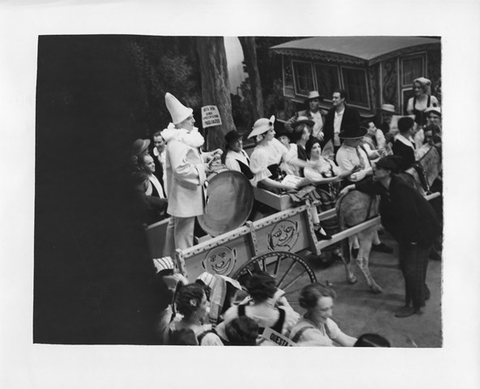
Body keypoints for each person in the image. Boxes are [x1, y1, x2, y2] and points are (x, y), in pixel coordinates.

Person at [340, 155, 442, 317]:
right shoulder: (385, 184)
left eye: (378, 168)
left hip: (421, 231)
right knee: (413, 264)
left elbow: (411, 218)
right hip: (412, 232)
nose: (374, 169)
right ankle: (422, 292)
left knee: (409, 267)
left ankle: (413, 305)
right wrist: (351, 187)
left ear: (388, 172)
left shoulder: (401, 189)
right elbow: (369, 186)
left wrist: (410, 241)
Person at [162, 92, 222, 259]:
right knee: (184, 236)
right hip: (184, 197)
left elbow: (191, 159)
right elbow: (180, 169)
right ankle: (184, 267)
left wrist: (206, 156)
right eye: (190, 118)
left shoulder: (182, 139)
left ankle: (169, 262)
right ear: (181, 122)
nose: (194, 121)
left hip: (184, 196)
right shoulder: (177, 141)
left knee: (175, 229)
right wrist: (203, 168)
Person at [336, 125, 393, 254]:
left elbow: (368, 159)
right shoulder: (342, 154)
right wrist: (371, 170)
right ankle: (355, 245)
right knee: (357, 216)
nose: (360, 140)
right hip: (353, 182)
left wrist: (379, 154)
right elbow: (353, 176)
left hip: (368, 179)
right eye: (356, 139)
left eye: (360, 138)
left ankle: (376, 241)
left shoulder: (359, 147)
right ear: (347, 139)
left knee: (374, 210)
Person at [215, 272, 300, 342]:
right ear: (272, 292)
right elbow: (298, 325)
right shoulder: (285, 316)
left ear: (251, 293)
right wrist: (284, 302)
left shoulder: (235, 312)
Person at [248, 115, 312, 193]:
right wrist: (285, 186)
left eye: (273, 130)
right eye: (271, 131)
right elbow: (264, 180)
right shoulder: (259, 152)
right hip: (268, 186)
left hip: (280, 179)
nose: (274, 133)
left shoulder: (274, 142)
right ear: (263, 134)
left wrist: (309, 165)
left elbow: (289, 159)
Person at [289, 283, 357, 346]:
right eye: (324, 310)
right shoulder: (309, 335)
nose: (330, 314)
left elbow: (347, 340)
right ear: (311, 308)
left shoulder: (321, 320)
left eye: (331, 307)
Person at [323, 89, 361, 153]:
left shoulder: (352, 112)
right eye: (333, 97)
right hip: (332, 145)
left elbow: (355, 130)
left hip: (346, 145)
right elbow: (327, 128)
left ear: (343, 99)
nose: (333, 100)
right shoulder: (331, 112)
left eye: (336, 98)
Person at [151, 130, 167, 197]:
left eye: (159, 142)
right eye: (155, 142)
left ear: (164, 141)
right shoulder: (153, 153)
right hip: (160, 181)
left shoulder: (169, 152)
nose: (157, 145)